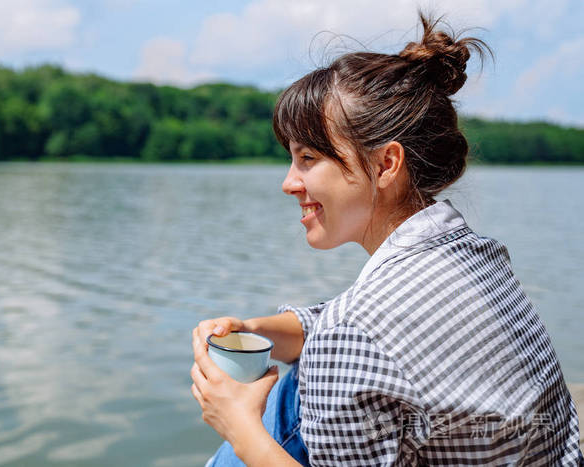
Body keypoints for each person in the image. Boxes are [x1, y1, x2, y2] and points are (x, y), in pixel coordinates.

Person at [190, 11, 583, 466]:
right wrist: (255, 330)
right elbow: (362, 340)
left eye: (308, 158)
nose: (289, 183)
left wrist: (238, 425)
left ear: (385, 165)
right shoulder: (477, 253)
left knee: (278, 410)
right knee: (297, 390)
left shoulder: (355, 333)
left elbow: (355, 339)